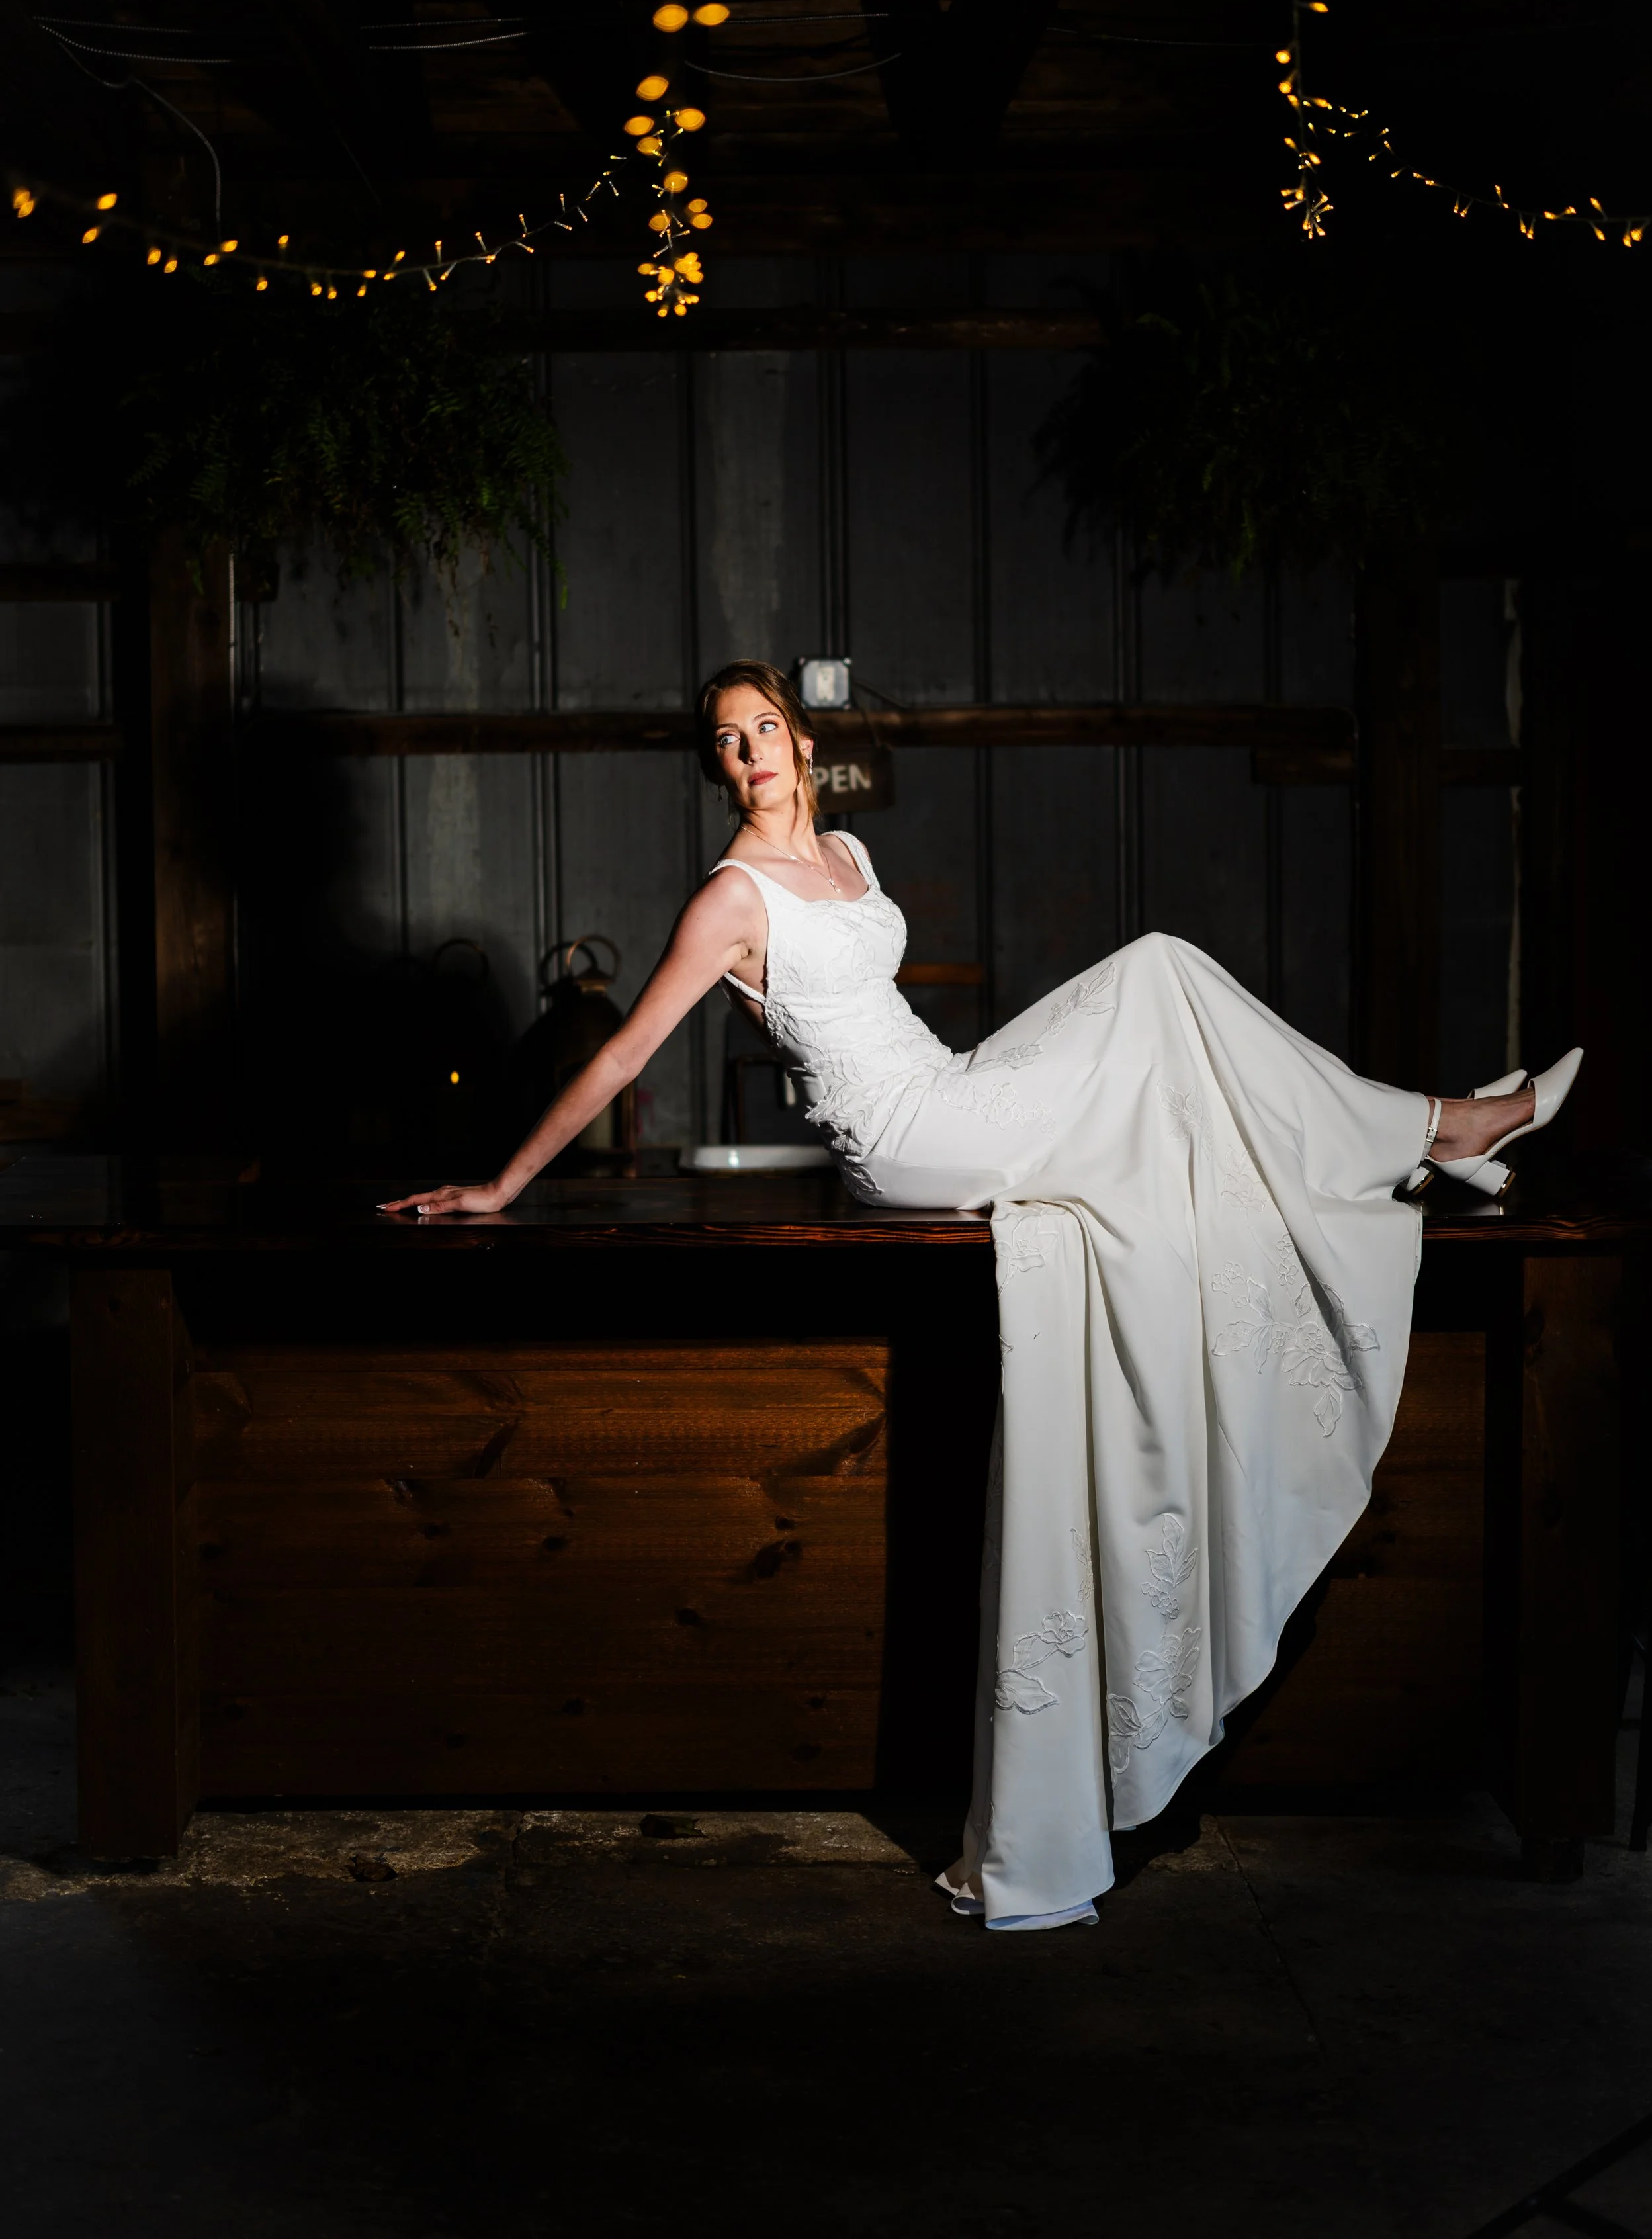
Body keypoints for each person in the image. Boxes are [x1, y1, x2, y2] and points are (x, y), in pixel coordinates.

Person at [382, 658, 1581, 1931]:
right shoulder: (730, 899)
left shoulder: (845, 852)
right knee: (1161, 976)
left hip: (949, 1084)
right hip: (904, 1139)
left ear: (803, 740)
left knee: (1169, 1003)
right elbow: (626, 1050)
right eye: (727, 741)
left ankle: (1420, 1136)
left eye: (766, 728)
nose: (751, 753)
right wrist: (502, 1183)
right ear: (714, 765)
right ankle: (1440, 1127)